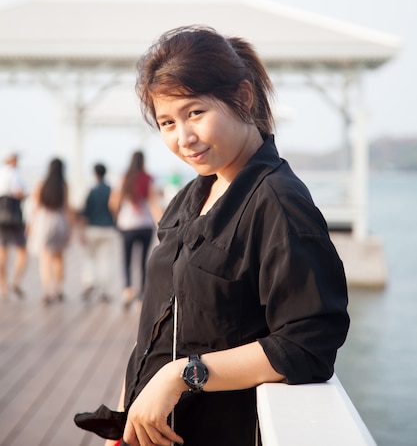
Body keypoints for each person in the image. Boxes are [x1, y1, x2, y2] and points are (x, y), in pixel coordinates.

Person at [74, 25, 350, 446]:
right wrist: (131, 407)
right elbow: (161, 322)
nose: (183, 138)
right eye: (167, 122)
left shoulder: (278, 202)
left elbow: (309, 343)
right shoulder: (191, 195)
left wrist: (181, 375)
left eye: (195, 113)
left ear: (242, 97)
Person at [111, 151, 163, 308]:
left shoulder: (124, 178)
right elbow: (154, 204)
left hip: (127, 225)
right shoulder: (148, 179)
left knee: (126, 259)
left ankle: (127, 290)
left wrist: (118, 216)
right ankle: (141, 296)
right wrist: (162, 224)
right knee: (143, 261)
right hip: (146, 225)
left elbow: (113, 202)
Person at [28, 158, 72, 305]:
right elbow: (67, 208)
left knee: (45, 259)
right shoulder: (64, 186)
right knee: (59, 258)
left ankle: (47, 291)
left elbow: (35, 208)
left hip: (44, 222)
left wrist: (30, 226)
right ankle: (59, 290)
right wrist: (70, 229)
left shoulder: (41, 185)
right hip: (59, 221)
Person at [79, 163, 118, 302]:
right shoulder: (110, 190)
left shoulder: (92, 191)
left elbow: (85, 213)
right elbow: (115, 209)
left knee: (89, 258)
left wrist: (81, 231)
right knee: (106, 260)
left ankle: (89, 283)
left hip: (92, 228)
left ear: (94, 173)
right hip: (108, 228)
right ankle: (105, 290)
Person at [0, 149, 27, 300]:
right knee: (22, 251)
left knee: (2, 252)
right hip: (14, 216)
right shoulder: (14, 174)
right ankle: (15, 280)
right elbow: (18, 193)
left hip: (1, 216)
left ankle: (3, 286)